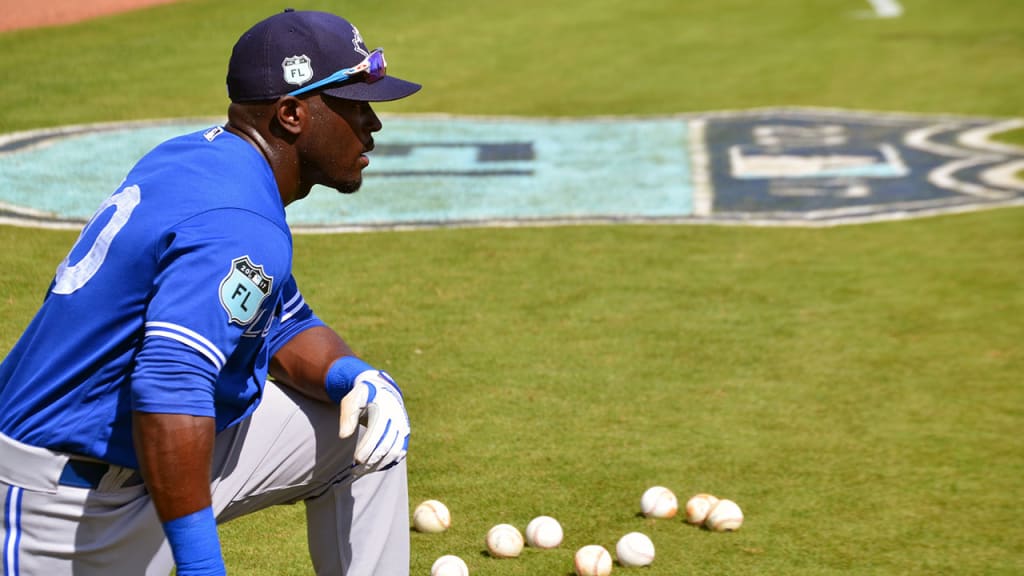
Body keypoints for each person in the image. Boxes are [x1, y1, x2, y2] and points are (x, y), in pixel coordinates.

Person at [0, 9, 420, 575]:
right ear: (293, 114)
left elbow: (284, 323)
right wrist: (201, 565)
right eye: (352, 105)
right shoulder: (238, 219)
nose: (372, 123)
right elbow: (170, 384)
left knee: (363, 430)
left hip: (147, 458)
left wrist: (355, 376)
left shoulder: (206, 159)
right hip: (67, 502)